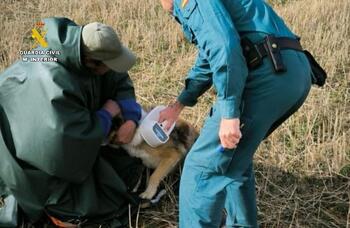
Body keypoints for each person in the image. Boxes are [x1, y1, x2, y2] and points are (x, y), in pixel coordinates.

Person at [158, 0, 312, 227]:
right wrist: (179, 104)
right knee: (234, 159)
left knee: (201, 169)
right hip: (292, 73)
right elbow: (209, 56)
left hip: (265, 76)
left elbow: (224, 47)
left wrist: (230, 114)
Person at [0, 17, 143, 226]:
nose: (112, 69)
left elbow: (117, 77)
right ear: (91, 62)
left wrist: (130, 117)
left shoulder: (83, 50)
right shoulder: (54, 81)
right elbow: (61, 143)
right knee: (90, 202)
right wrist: (106, 114)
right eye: (108, 65)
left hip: (60, 129)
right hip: (24, 145)